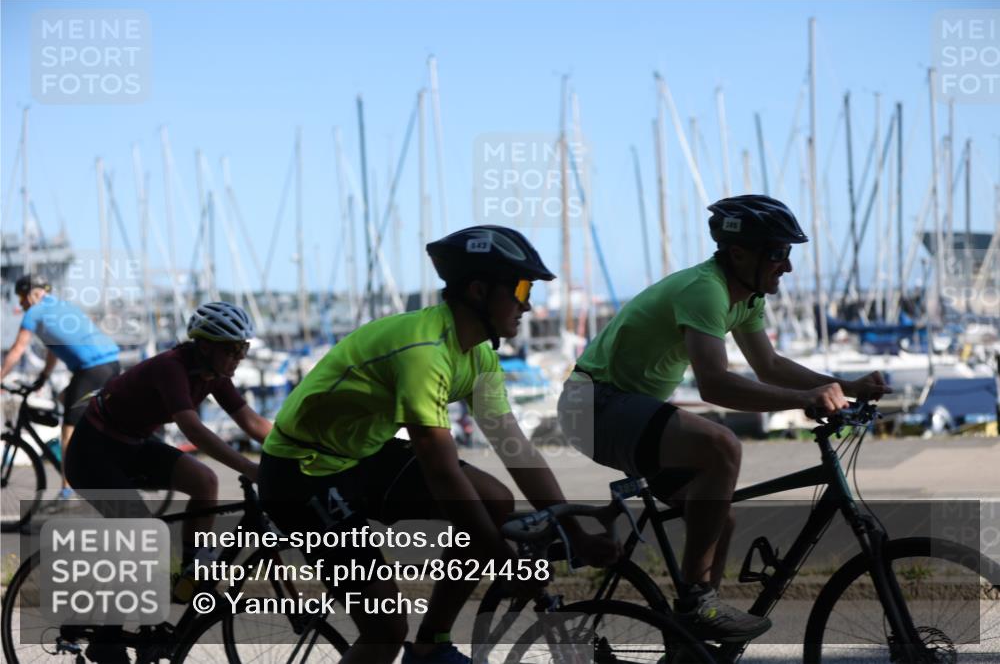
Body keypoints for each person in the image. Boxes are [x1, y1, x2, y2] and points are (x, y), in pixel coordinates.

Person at [259, 225, 620, 664]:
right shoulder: (424, 352)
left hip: (360, 454)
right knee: (385, 630)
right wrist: (504, 563)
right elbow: (442, 472)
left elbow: (515, 447)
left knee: (494, 500)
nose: (527, 303)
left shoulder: (478, 353)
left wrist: (576, 534)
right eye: (522, 288)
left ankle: (432, 642)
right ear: (478, 290)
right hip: (302, 472)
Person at [558, 195, 891, 643]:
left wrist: (845, 386)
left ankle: (690, 646)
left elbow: (768, 365)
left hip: (626, 410)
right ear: (738, 253)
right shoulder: (706, 290)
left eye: (788, 253)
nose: (787, 266)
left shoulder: (746, 297)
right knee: (721, 445)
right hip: (593, 405)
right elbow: (714, 384)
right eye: (777, 253)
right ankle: (697, 604)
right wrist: (803, 399)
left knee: (718, 520)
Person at [65, 301, 267, 571]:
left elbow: (252, 422)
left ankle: (193, 569)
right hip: (93, 453)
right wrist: (247, 467)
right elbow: (192, 429)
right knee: (146, 534)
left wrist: (298, 450)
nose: (240, 356)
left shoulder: (214, 374)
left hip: (133, 445)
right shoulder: (171, 368)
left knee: (205, 481)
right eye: (233, 349)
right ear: (205, 346)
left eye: (244, 348)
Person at [1, 274, 121, 498]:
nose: (20, 303)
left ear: (32, 294)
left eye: (21, 298)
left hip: (91, 369)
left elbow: (17, 350)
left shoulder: (34, 313)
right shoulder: (60, 306)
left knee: (68, 430)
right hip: (110, 363)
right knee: (64, 400)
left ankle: (68, 489)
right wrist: (44, 377)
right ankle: (92, 453)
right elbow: (53, 348)